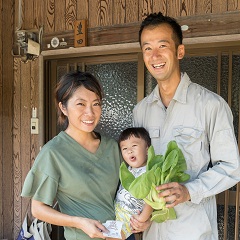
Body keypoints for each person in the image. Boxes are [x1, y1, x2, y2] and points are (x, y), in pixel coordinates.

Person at [133, 12, 240, 240]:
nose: (155, 56)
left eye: (163, 45)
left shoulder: (210, 105)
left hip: (193, 231)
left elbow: (231, 167)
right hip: (153, 232)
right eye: (147, 48)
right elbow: (139, 171)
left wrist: (189, 190)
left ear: (179, 51)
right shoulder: (140, 111)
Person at [21, 70, 123, 240]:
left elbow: (126, 193)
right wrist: (79, 222)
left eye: (96, 104)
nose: (90, 113)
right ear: (63, 108)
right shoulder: (53, 153)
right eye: (81, 104)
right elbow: (38, 209)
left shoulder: (112, 147)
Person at [107, 127, 153, 240]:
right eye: (124, 148)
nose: (129, 151)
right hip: (118, 215)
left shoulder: (148, 172)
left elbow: (151, 200)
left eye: (134, 146)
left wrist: (142, 219)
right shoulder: (128, 169)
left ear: (147, 149)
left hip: (131, 219)